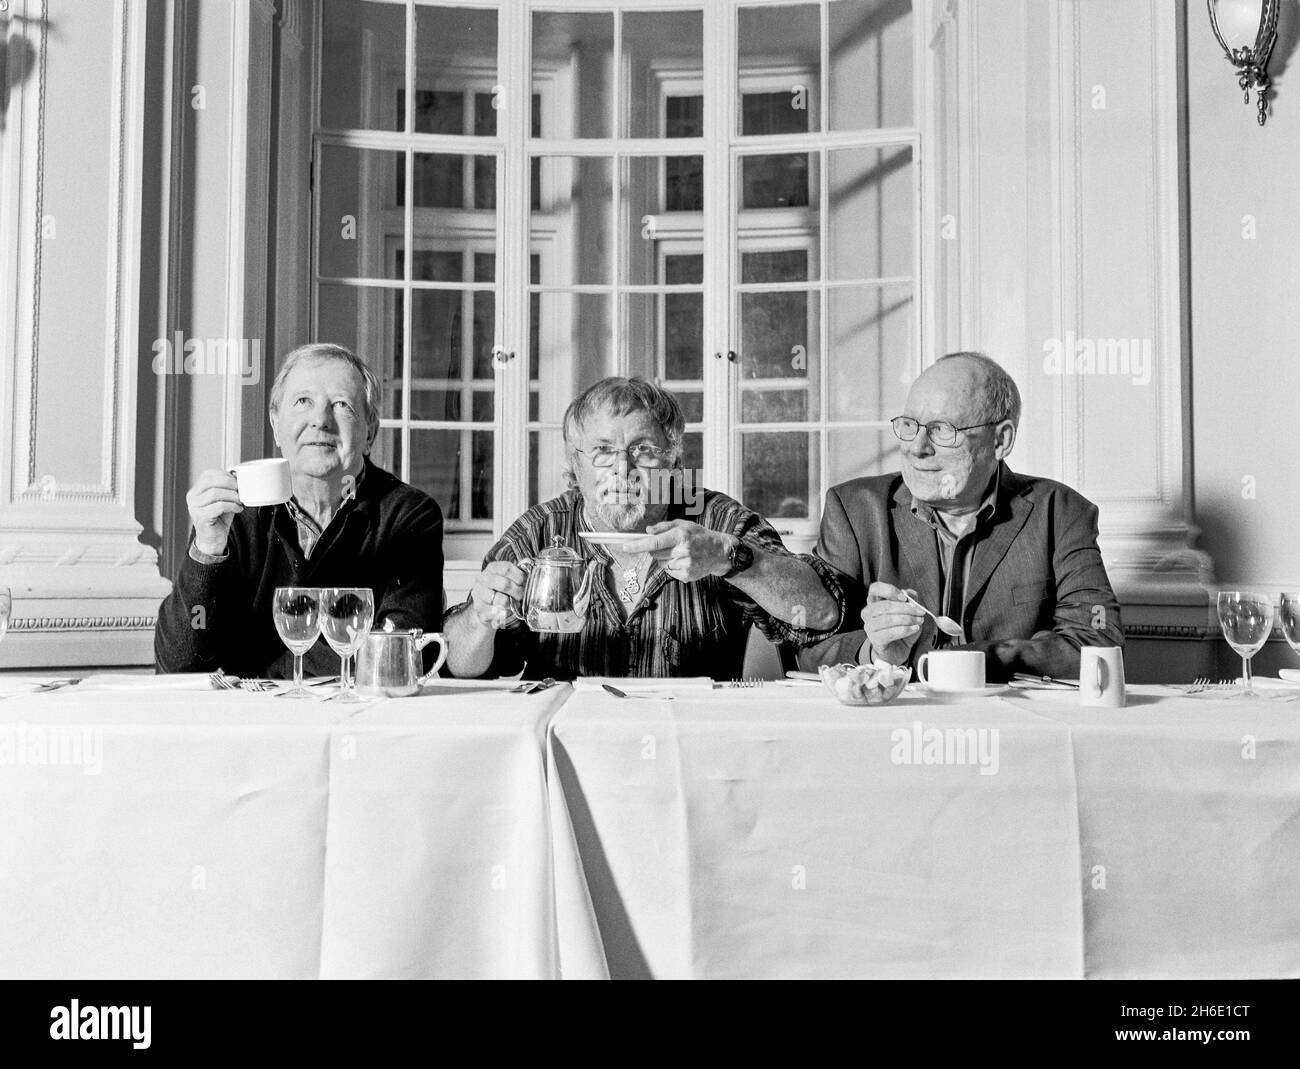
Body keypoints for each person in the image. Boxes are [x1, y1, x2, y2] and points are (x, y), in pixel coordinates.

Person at [444, 376, 845, 679]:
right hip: (569, 748)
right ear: (575, 464)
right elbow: (460, 667)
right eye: (603, 451)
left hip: (691, 749)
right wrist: (479, 620)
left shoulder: (715, 520)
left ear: (672, 461)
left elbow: (824, 613)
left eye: (644, 451)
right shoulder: (540, 530)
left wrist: (731, 558)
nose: (623, 468)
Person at [798, 351, 1123, 681]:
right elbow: (811, 645)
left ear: (1001, 440)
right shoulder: (854, 510)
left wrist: (968, 660)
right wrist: (876, 651)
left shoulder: (1061, 512)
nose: (917, 447)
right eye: (910, 425)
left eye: (942, 430)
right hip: (893, 721)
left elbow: (1098, 639)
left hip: (1014, 725)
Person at [155, 343, 444, 676]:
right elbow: (179, 664)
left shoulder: (409, 515)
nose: (320, 421)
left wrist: (265, 657)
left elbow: (396, 657)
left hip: (361, 720)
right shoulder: (236, 509)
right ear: (276, 425)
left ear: (370, 433)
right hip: (251, 722)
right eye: (303, 401)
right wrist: (206, 552)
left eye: (341, 405)